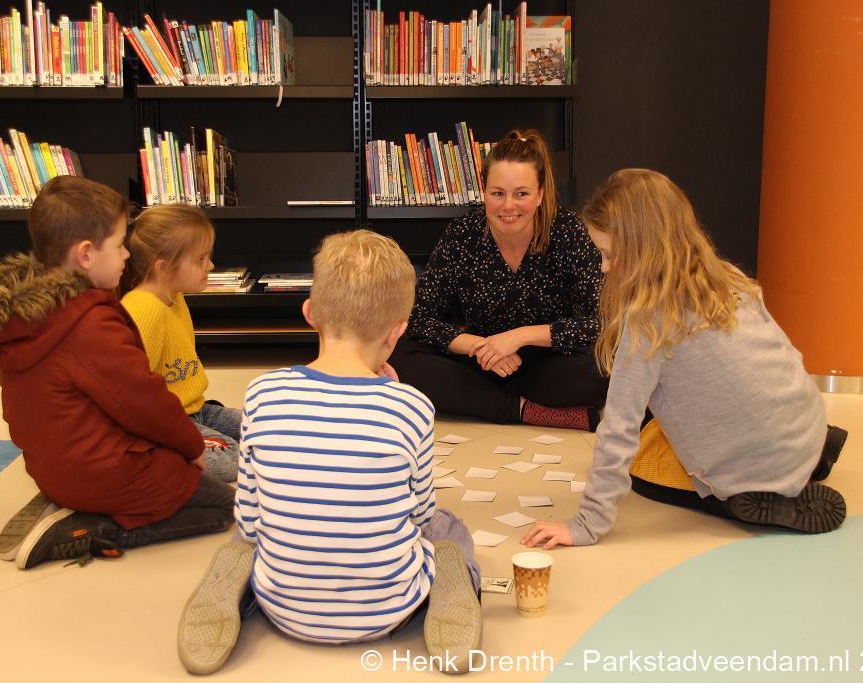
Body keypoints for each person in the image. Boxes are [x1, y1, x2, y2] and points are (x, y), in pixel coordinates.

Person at [177, 229, 482, 675]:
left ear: (309, 313)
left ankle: (242, 588)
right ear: (398, 331)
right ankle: (453, 587)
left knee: (249, 535)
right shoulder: (412, 406)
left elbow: (251, 517)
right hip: (388, 611)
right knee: (448, 526)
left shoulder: (262, 393)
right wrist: (393, 396)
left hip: (283, 609)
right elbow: (418, 516)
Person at [522, 169, 848, 549]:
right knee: (662, 422)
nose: (604, 267)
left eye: (609, 254)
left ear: (641, 250)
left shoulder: (647, 320)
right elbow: (784, 355)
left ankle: (753, 495)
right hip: (804, 425)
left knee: (641, 471)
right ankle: (809, 456)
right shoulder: (726, 276)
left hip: (755, 469)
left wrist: (586, 524)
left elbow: (619, 426)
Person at [0, 176, 234, 570]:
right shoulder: (89, 323)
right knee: (223, 508)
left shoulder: (34, 313)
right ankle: (84, 527)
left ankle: (70, 503)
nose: (126, 256)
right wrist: (191, 448)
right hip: (101, 471)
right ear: (86, 254)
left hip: (56, 467)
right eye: (118, 245)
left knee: (194, 476)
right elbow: (144, 402)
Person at [390, 129, 608, 431]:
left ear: (540, 194)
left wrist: (519, 337)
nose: (508, 206)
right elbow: (419, 318)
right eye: (497, 193)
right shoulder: (462, 234)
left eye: (521, 194)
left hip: (549, 363)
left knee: (602, 366)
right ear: (484, 192)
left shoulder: (569, 232)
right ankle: (526, 410)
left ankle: (493, 402)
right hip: (481, 362)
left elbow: (597, 322)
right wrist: (478, 347)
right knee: (399, 355)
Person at [120, 204, 240, 483]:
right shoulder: (143, 310)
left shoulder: (174, 296)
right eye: (200, 260)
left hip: (196, 409)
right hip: (170, 423)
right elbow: (133, 393)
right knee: (232, 460)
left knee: (262, 426)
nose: (210, 266)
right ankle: (158, 457)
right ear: (163, 267)